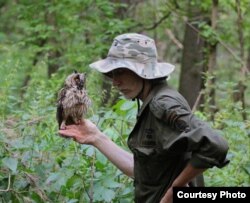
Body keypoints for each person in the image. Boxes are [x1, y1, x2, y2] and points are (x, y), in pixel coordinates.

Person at [59, 33, 229, 203]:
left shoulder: (163, 104)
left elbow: (216, 145)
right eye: (112, 73)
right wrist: (96, 137)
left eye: (121, 72)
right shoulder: (151, 103)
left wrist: (173, 190)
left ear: (143, 72)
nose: (115, 82)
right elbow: (144, 173)